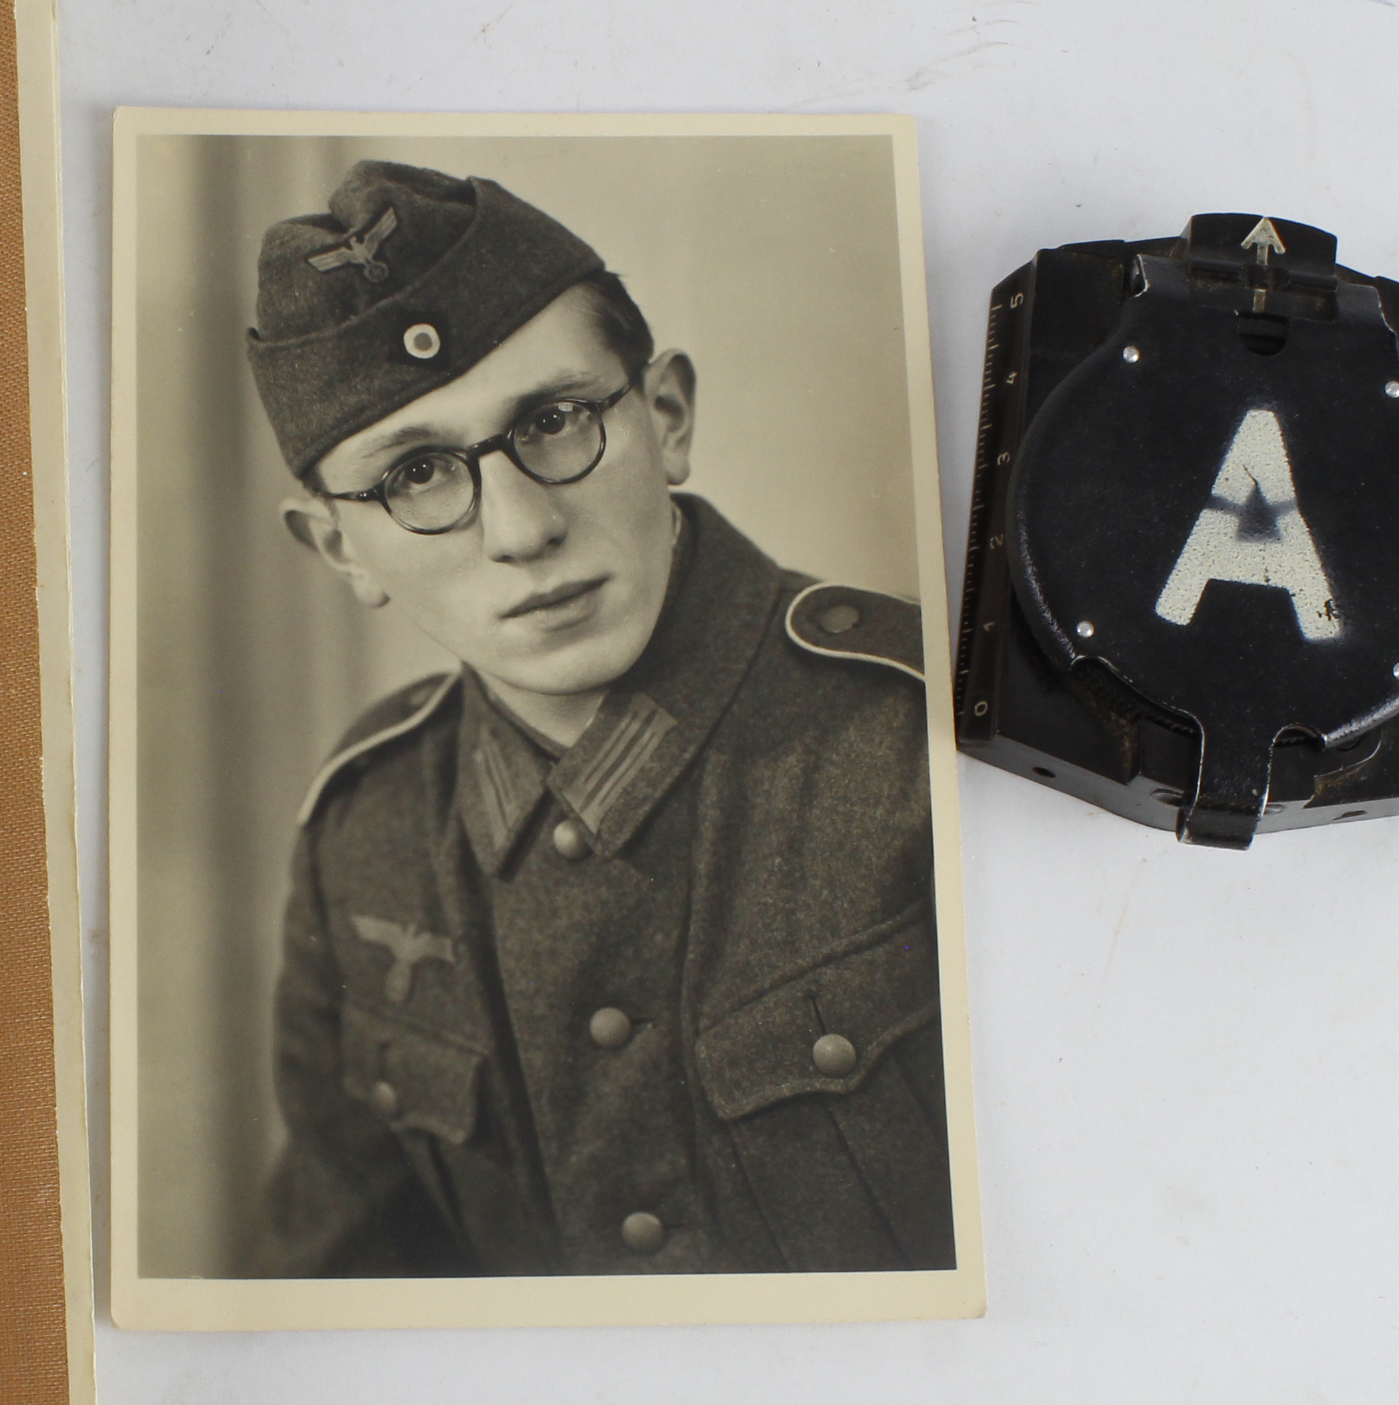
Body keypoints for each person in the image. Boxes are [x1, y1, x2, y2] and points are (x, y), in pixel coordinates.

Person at [247, 160, 953, 1276]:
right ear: (342, 551)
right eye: (418, 474)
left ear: (666, 418)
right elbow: (329, 1289)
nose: (522, 529)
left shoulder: (928, 743)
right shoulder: (364, 835)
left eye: (558, 421)